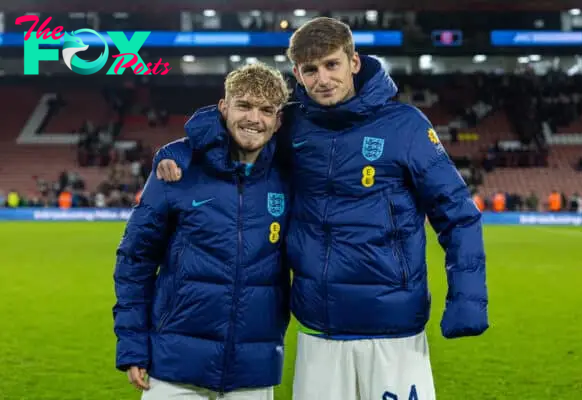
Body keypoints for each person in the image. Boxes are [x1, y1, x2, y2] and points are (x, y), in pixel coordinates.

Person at [156, 17, 489, 400]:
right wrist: (180, 149)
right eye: (310, 70)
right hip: (319, 330)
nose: (322, 79)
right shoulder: (292, 125)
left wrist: (467, 298)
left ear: (354, 62)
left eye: (332, 64)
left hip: (394, 330)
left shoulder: (406, 126)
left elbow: (458, 215)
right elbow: (229, 129)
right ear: (297, 73)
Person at [112, 62, 292, 400]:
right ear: (223, 108)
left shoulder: (289, 178)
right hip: (175, 370)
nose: (254, 118)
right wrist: (133, 343)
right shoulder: (177, 172)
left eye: (266, 110)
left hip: (252, 372)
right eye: (244, 105)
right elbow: (134, 261)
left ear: (279, 119)